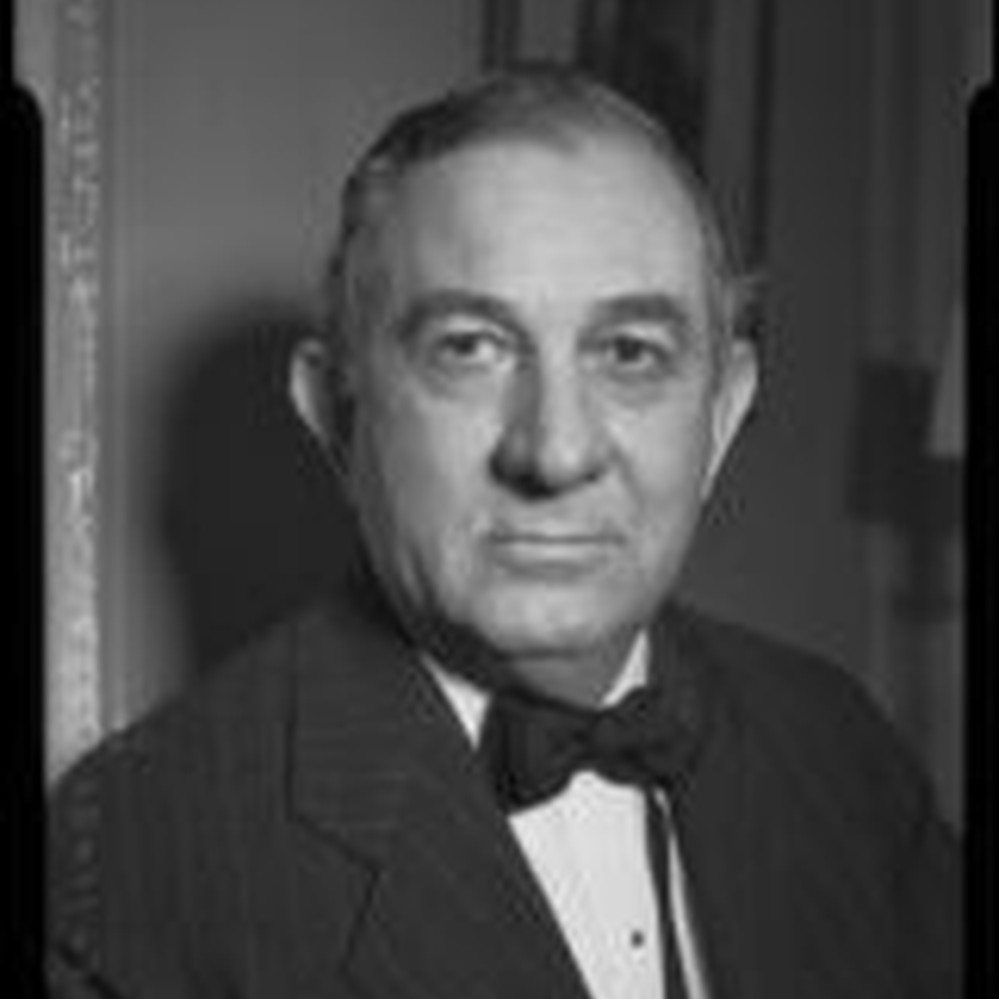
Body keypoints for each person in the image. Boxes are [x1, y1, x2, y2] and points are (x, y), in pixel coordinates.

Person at [47, 65, 961, 999]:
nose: (555, 451)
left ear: (722, 418)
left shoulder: (841, 746)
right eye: (469, 348)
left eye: (630, 352)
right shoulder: (132, 853)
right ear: (335, 418)